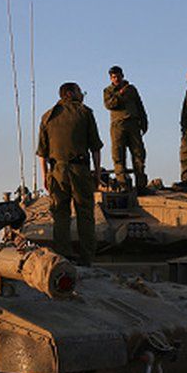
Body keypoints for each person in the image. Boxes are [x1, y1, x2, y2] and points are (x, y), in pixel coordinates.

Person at [37, 82, 103, 265]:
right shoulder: (84, 112)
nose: (82, 94)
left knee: (60, 215)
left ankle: (64, 255)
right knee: (85, 213)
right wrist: (97, 174)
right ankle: (87, 258)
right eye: (80, 91)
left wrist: (45, 177)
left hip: (56, 172)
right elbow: (95, 148)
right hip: (79, 170)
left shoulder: (47, 117)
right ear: (70, 93)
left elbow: (42, 153)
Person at [103, 65, 149, 192]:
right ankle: (123, 184)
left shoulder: (131, 89)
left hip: (133, 123)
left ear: (122, 75)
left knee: (138, 154)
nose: (116, 79)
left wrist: (144, 122)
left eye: (118, 76)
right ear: (111, 79)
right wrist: (119, 94)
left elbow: (140, 105)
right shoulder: (108, 91)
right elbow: (109, 105)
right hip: (118, 125)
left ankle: (141, 185)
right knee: (118, 155)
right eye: (113, 77)